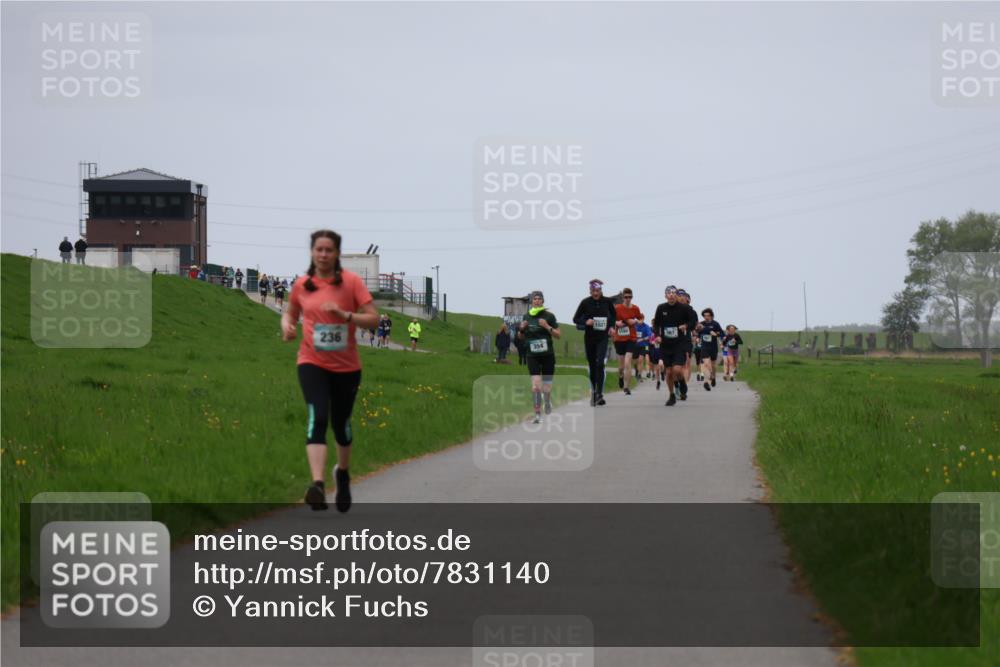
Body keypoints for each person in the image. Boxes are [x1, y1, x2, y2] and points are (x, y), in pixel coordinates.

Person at [282, 229, 378, 513]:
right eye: (318, 249)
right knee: (317, 417)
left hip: (347, 367)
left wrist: (346, 315)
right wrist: (286, 326)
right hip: (311, 362)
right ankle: (317, 485)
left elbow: (374, 319)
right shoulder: (302, 285)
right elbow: (290, 312)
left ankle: (343, 475)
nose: (323, 254)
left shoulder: (351, 282)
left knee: (341, 425)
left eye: (329, 250)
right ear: (312, 252)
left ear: (337, 253)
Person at [517, 291, 561, 423]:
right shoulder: (526, 316)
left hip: (548, 355)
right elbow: (520, 337)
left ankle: (547, 401)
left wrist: (547, 326)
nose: (536, 301)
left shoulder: (549, 316)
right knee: (536, 385)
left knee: (546, 386)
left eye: (539, 299)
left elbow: (558, 335)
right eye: (534, 299)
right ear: (531, 302)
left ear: (543, 301)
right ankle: (537, 414)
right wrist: (521, 330)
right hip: (532, 355)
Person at [572, 279, 617, 407]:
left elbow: (614, 315)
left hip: (602, 337)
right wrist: (585, 321)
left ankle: (599, 393)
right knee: (592, 366)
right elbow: (575, 318)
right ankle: (593, 392)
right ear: (590, 291)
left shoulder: (607, 302)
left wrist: (612, 327)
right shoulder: (585, 302)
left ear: (601, 291)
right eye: (593, 291)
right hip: (590, 337)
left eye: (598, 291)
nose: (596, 293)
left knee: (600, 364)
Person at [651, 285, 698, 406]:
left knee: (677, 369)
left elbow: (693, 322)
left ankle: (682, 382)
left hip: (679, 343)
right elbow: (656, 324)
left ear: (676, 295)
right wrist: (657, 335)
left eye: (673, 293)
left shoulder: (684, 308)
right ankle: (671, 395)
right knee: (669, 372)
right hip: (666, 344)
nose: (671, 295)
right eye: (669, 293)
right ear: (665, 295)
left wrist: (686, 326)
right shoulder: (661, 308)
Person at [613, 288, 642, 396]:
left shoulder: (635, 308)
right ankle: (620, 376)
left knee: (627, 362)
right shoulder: (617, 308)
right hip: (619, 339)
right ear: (622, 298)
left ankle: (626, 387)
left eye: (630, 297)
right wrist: (617, 323)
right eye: (626, 297)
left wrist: (636, 321)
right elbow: (611, 319)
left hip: (631, 338)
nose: (628, 299)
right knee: (621, 367)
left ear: (632, 297)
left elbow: (641, 318)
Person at [698, 308, 724, 390]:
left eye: (708, 315)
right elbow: (697, 332)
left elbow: (722, 334)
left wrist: (716, 333)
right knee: (706, 364)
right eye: (705, 316)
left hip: (713, 347)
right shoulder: (701, 324)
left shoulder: (715, 324)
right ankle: (706, 382)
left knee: (713, 365)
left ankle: (713, 377)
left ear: (711, 316)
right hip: (704, 347)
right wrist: (697, 337)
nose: (706, 317)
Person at [634, 314, 653, 380]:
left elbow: (650, 336)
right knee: (636, 362)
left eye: (641, 319)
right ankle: (637, 371)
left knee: (641, 359)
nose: (640, 321)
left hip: (644, 345)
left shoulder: (646, 326)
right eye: (638, 319)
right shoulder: (634, 326)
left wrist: (642, 339)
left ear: (643, 319)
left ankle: (640, 374)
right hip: (636, 346)